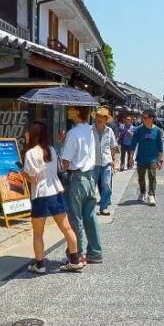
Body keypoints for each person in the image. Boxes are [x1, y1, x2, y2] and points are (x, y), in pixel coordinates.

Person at [20, 122, 85, 274]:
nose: (25, 135)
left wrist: (23, 173)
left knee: (38, 233)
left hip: (40, 194)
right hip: (55, 191)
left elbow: (33, 179)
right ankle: (75, 260)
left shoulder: (30, 153)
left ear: (33, 134)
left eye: (27, 132)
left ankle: (40, 265)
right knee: (66, 227)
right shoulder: (52, 149)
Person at [61, 105, 104, 264]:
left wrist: (59, 170)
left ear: (78, 112)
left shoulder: (73, 133)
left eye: (70, 109)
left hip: (76, 177)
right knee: (90, 215)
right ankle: (95, 252)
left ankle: (76, 254)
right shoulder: (91, 130)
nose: (68, 111)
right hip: (90, 176)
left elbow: (66, 161)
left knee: (75, 217)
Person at [133, 109, 164, 206]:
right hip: (141, 158)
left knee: (152, 177)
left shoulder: (157, 131)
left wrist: (160, 160)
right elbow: (133, 144)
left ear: (151, 118)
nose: (143, 119)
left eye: (145, 117)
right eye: (143, 117)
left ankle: (151, 195)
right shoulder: (138, 130)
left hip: (153, 159)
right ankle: (143, 192)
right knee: (141, 178)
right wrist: (130, 158)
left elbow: (160, 147)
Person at [92, 107, 120, 216]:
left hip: (106, 162)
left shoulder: (109, 131)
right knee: (91, 187)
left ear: (105, 119)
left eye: (101, 117)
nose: (99, 119)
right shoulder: (90, 130)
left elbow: (113, 146)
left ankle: (103, 207)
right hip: (93, 163)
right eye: (98, 116)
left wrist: (113, 159)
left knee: (107, 186)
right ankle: (89, 209)